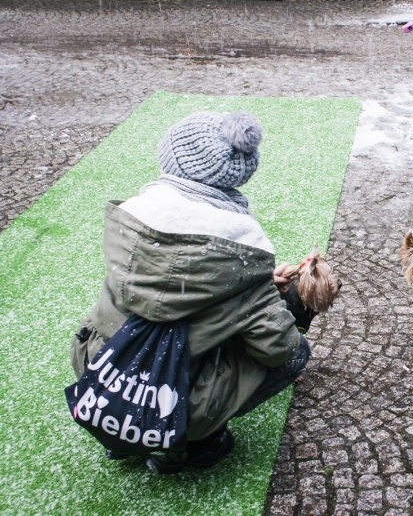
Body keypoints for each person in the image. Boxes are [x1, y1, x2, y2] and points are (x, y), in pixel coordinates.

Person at [69, 111, 310, 474]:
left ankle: (123, 433)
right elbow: (277, 348)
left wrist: (250, 290)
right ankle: (191, 445)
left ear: (171, 161)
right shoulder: (245, 245)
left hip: (99, 370)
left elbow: (163, 293)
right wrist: (256, 292)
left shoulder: (129, 215)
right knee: (296, 353)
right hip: (178, 403)